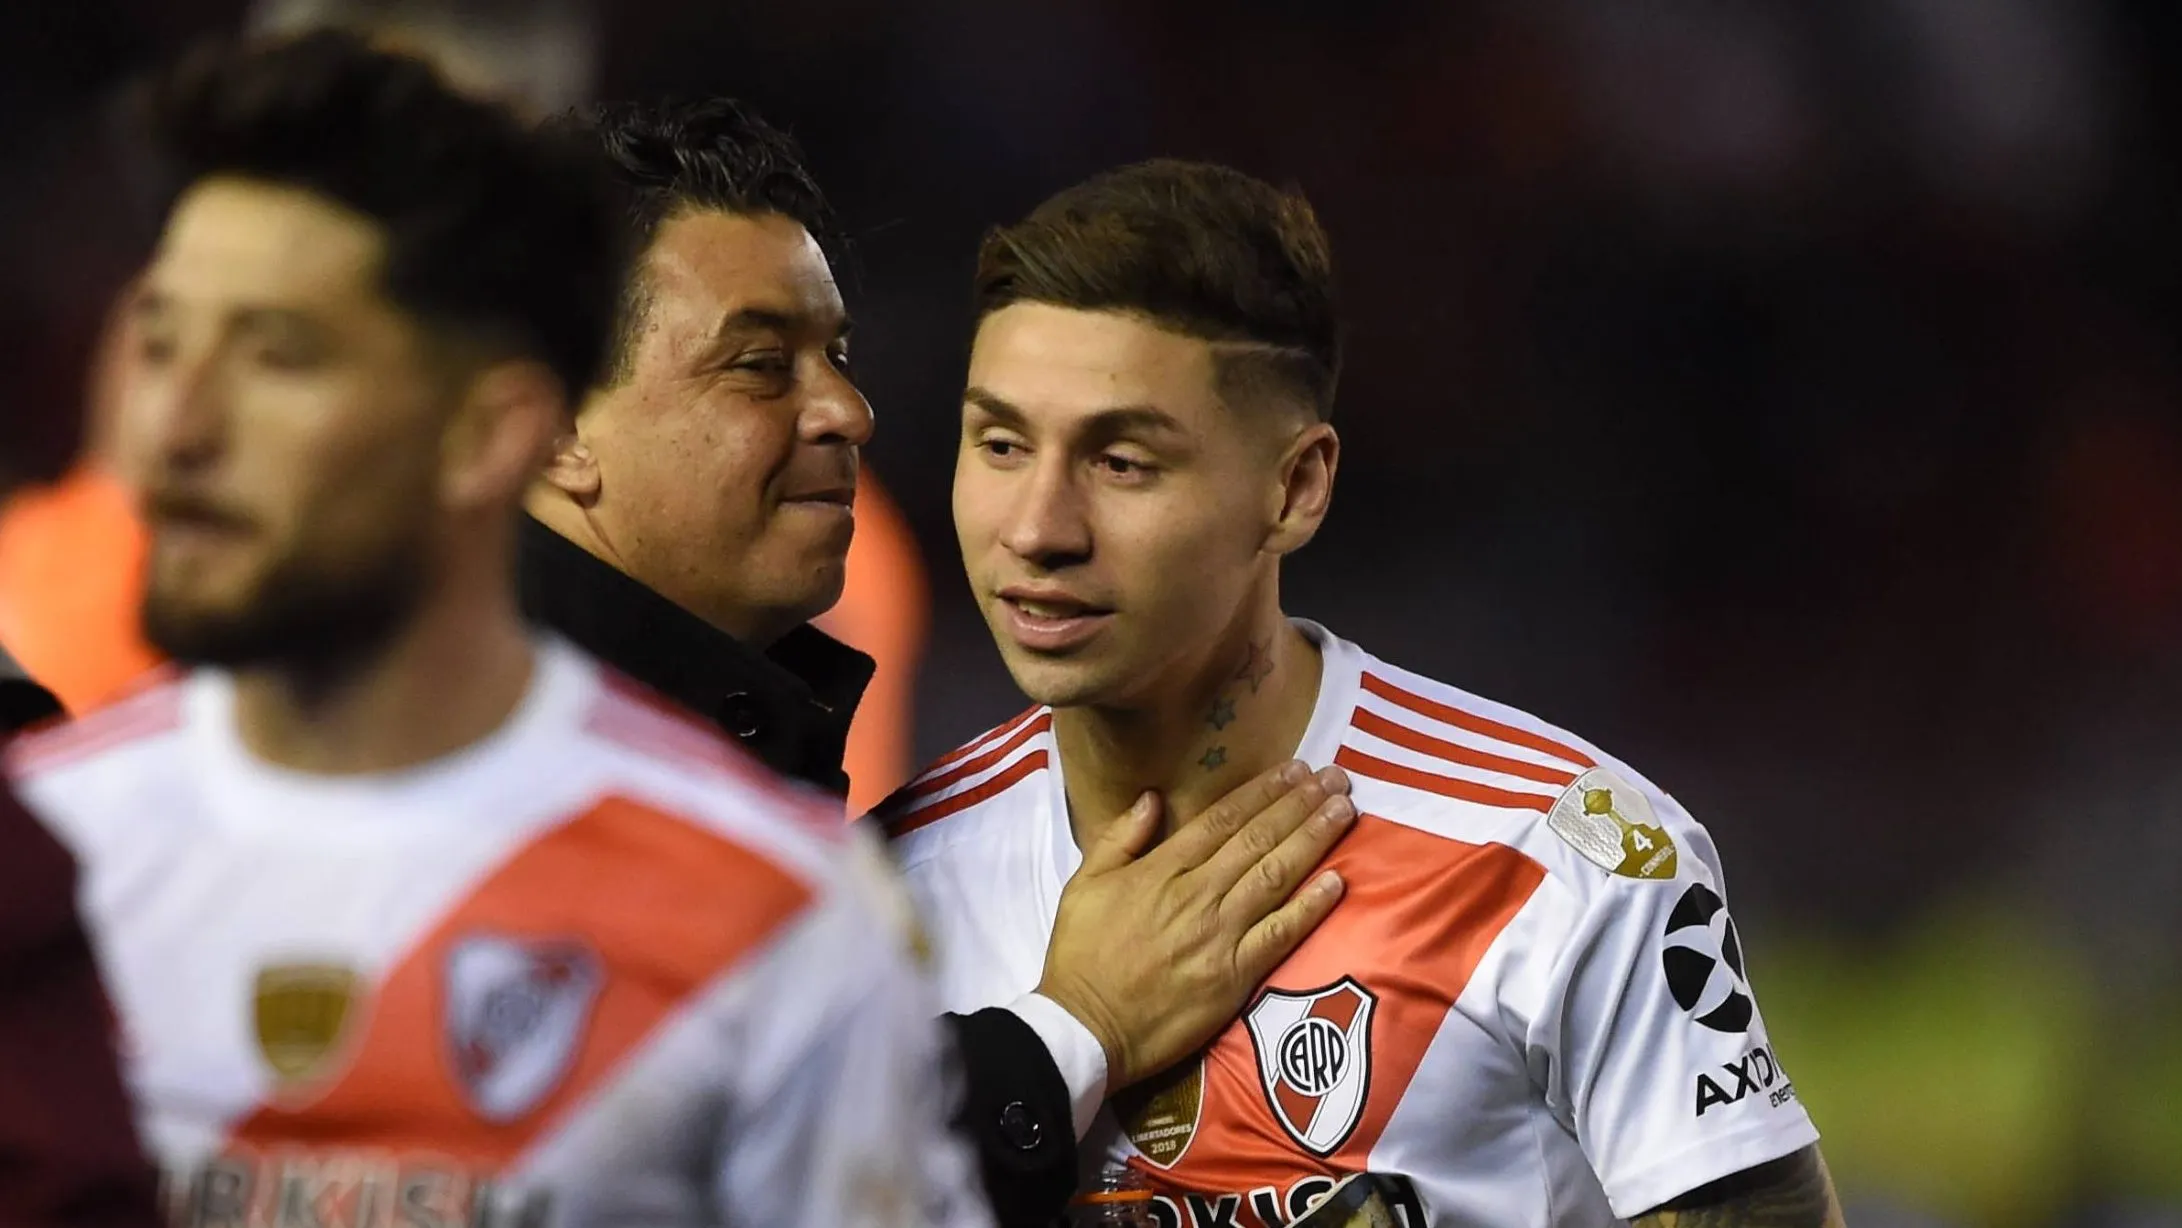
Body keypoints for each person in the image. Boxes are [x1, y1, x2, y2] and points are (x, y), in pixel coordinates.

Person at [7, 33, 989, 1228]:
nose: (178, 427)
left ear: (491, 431)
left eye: (280, 356)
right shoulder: (43, 849)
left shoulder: (774, 917)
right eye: (160, 344)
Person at [878, 159, 1846, 1227]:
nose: (1037, 528)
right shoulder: (877, 889)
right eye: (1001, 444)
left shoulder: (1563, 858)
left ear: (1295, 487)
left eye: (1122, 463)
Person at [521, 99, 1355, 1227]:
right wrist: (1073, 1026)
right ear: (557, 427)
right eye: (761, 365)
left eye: (841, 356)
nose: (849, 411)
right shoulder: (473, 745)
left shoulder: (745, 732)